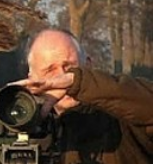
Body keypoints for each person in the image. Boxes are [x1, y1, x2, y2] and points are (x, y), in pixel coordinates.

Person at [10, 28, 153, 163]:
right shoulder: (38, 132)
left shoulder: (122, 116)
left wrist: (77, 82)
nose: (61, 76)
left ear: (88, 66)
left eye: (69, 66)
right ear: (32, 77)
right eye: (50, 70)